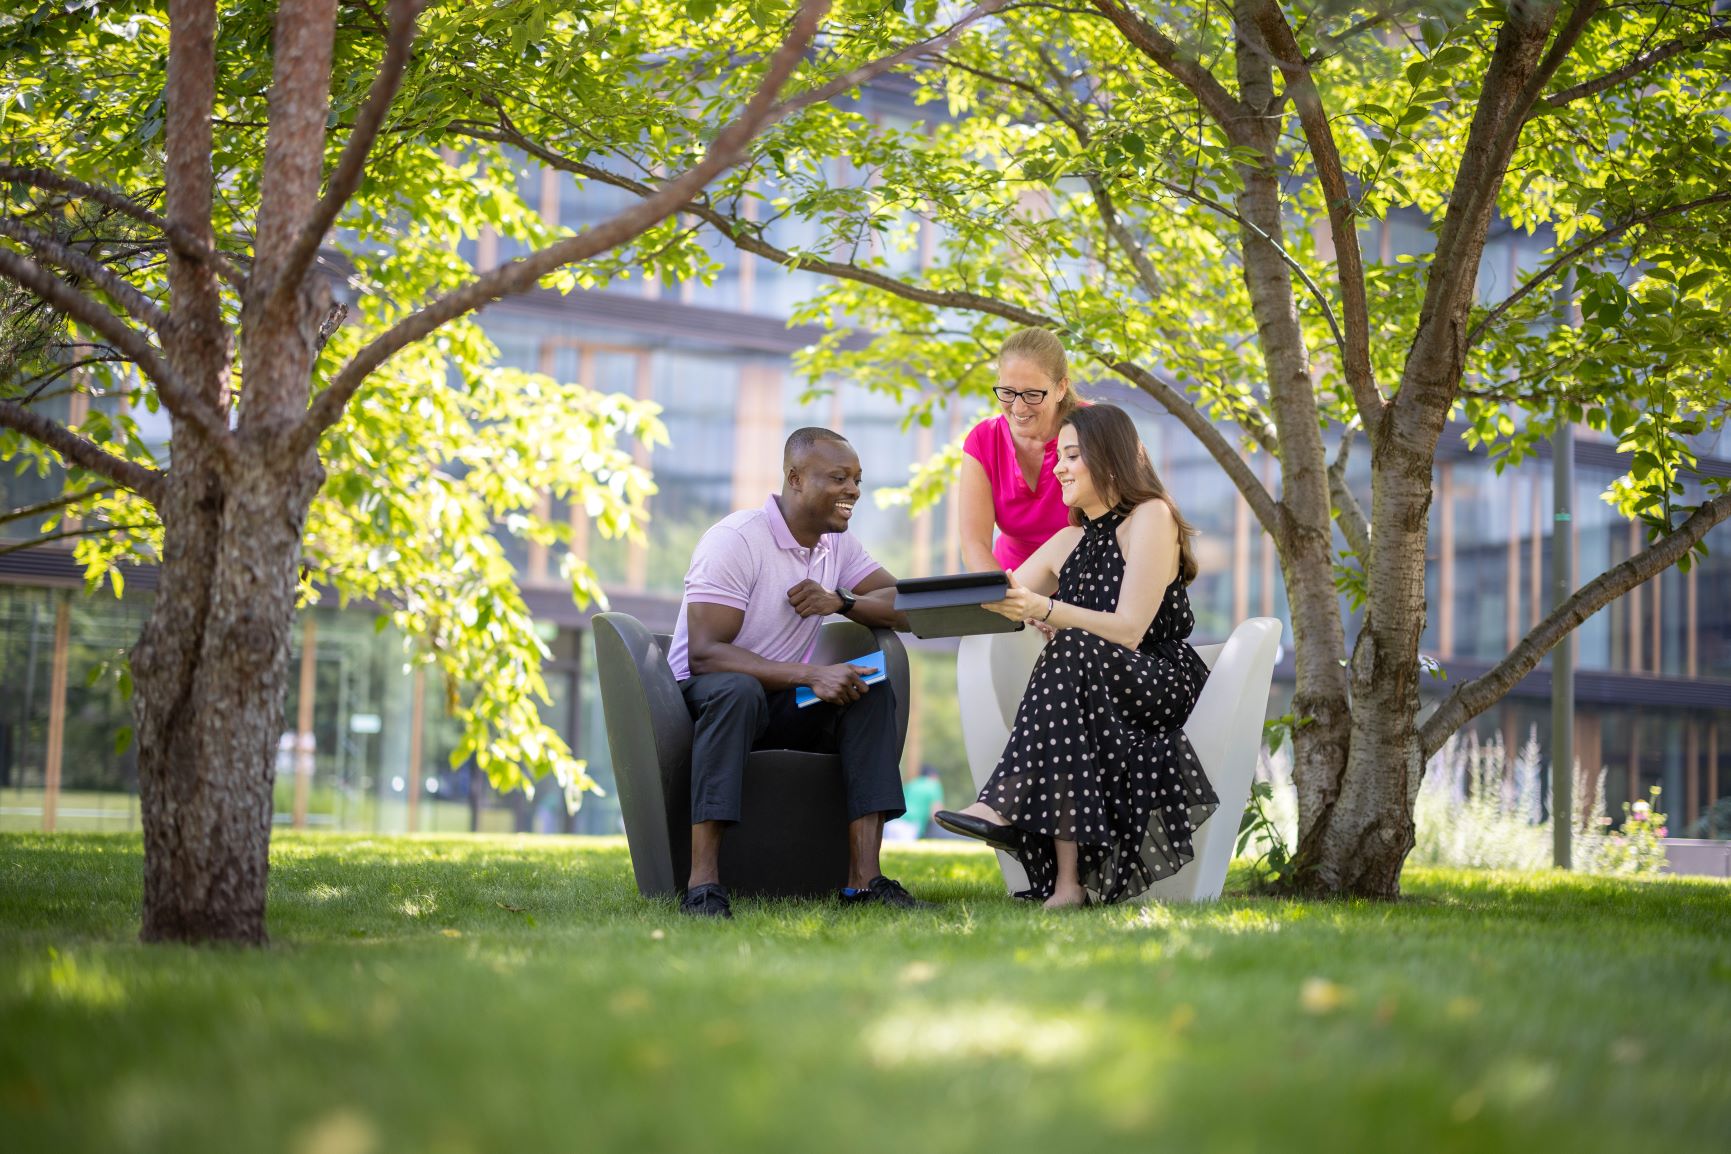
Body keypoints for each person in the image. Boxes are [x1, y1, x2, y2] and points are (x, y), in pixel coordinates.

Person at [933, 404, 1216, 908]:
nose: (1057, 468)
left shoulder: (1151, 517)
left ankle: (1003, 804)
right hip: (1091, 684)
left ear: (1109, 460)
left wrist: (1049, 608)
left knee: (1071, 647)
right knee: (1070, 676)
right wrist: (909, 608)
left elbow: (1130, 630)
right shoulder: (1068, 540)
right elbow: (1002, 599)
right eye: (1056, 457)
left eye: (1070, 455)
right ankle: (1067, 887)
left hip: (1159, 677)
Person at [666, 427, 931, 919]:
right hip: (704, 697)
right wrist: (810, 675)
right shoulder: (737, 540)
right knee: (738, 691)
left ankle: (863, 882)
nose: (853, 490)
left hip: (781, 698)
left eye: (856, 479)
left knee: (868, 685)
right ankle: (702, 885)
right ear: (795, 479)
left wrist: (843, 601)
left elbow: (909, 606)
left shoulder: (837, 547)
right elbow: (705, 653)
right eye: (838, 477)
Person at [959, 327, 1080, 575]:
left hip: (1086, 581)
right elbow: (975, 544)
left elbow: (1135, 522)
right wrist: (1006, 599)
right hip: (1012, 581)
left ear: (1061, 388)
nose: (1018, 407)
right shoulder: (984, 439)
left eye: (1033, 394)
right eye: (1007, 392)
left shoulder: (1097, 430)